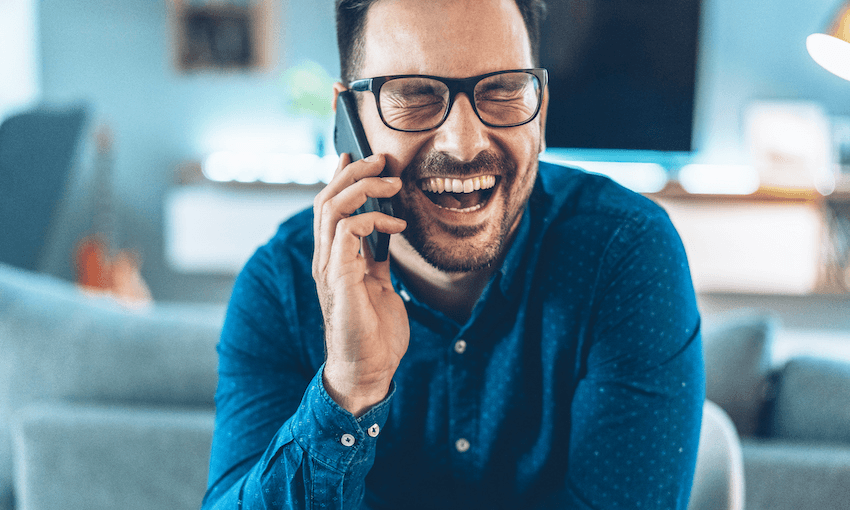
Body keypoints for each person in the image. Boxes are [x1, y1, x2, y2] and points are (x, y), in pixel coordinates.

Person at [201, 0, 705, 508]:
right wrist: (349, 390)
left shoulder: (626, 254)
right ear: (348, 116)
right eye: (415, 95)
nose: (463, 144)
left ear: (541, 110)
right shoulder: (280, 286)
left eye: (504, 90)